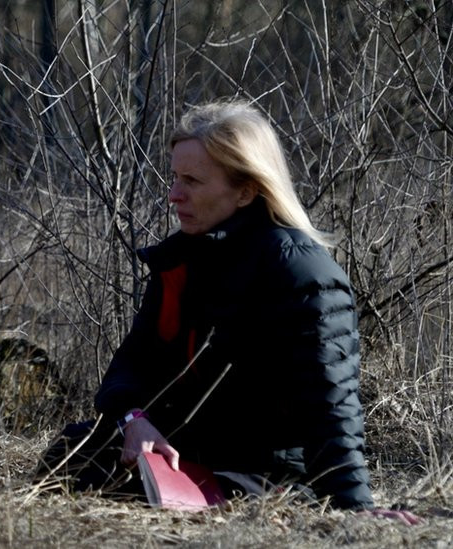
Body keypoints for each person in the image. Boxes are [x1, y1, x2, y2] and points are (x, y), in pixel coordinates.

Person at [39, 100, 377, 510]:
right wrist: (135, 421)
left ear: (247, 190)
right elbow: (131, 364)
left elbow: (333, 408)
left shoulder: (302, 273)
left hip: (266, 479)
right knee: (73, 456)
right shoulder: (183, 260)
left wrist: (357, 512)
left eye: (193, 181)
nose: (173, 195)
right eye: (175, 178)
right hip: (188, 457)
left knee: (124, 492)